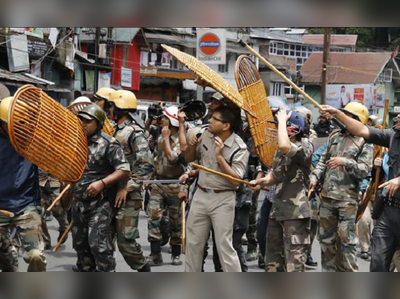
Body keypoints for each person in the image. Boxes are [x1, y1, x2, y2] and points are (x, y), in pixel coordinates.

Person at [321, 104, 400, 272]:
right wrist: (336, 113)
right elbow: (362, 130)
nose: (397, 118)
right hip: (390, 211)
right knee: (378, 262)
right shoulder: (393, 136)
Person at [185, 106, 249, 272]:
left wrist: (220, 157)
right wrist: (191, 147)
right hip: (200, 194)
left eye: (214, 118)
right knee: (193, 245)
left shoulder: (239, 147)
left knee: (224, 247)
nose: (209, 121)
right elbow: (189, 158)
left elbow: (236, 181)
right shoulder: (206, 134)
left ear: (226, 125)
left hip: (222, 199)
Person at [311, 102, 373, 272]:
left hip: (347, 201)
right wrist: (314, 176)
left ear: (358, 120)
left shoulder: (365, 142)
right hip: (327, 199)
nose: (343, 118)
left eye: (349, 115)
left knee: (347, 244)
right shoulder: (335, 136)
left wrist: (345, 161)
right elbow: (323, 160)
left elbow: (364, 170)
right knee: (326, 242)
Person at [251, 110, 313, 272]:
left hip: (295, 214)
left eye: (281, 126)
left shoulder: (305, 146)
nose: (277, 129)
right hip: (277, 211)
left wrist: (282, 121)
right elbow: (275, 175)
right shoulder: (280, 149)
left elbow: (285, 146)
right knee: (272, 264)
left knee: (294, 266)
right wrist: (261, 181)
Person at [72, 104, 130, 272]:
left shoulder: (108, 144)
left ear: (97, 123)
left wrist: (102, 183)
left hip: (100, 203)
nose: (83, 123)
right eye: (81, 120)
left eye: (88, 121)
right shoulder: (75, 142)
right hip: (78, 202)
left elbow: (124, 169)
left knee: (99, 245)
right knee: (80, 246)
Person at [107, 90, 153, 272]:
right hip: (109, 192)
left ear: (120, 108)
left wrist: (127, 187)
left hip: (128, 195)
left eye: (111, 106)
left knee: (126, 241)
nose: (109, 110)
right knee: (103, 240)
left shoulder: (134, 133)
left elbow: (146, 165)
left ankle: (143, 269)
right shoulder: (112, 130)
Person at [0, 97, 47, 272]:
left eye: (21, 123)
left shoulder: (34, 140)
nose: (17, 128)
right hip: (0, 205)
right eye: (12, 123)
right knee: (3, 253)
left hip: (26, 205)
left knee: (36, 255)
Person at [147, 106, 185, 267]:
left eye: (164, 117)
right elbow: (158, 159)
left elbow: (172, 158)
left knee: (176, 222)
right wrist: (151, 177)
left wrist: (166, 138)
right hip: (158, 184)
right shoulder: (161, 136)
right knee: (153, 217)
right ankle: (155, 254)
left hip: (175, 185)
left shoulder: (180, 139)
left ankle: (175, 253)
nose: (161, 120)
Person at [39, 170, 69, 250]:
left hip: (55, 182)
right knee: (40, 214)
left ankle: (64, 228)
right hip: (39, 182)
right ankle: (45, 241)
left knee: (58, 211)